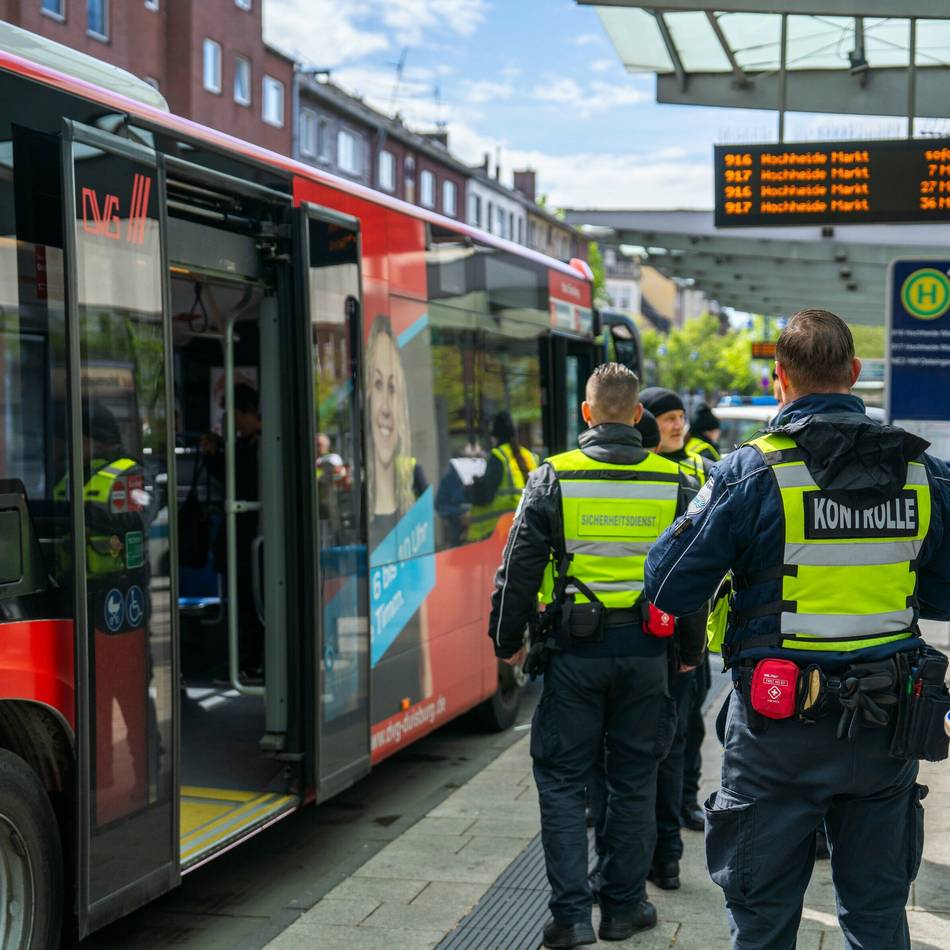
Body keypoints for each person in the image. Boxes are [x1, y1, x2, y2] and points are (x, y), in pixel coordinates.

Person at [645, 309, 950, 950]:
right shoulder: (924, 472)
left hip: (779, 727)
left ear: (779, 377)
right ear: (856, 374)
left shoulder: (751, 472)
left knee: (762, 921)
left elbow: (670, 586)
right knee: (875, 914)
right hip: (889, 722)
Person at [489, 363, 704, 948]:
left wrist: (506, 641)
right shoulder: (677, 482)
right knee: (634, 780)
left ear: (588, 413)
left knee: (562, 781)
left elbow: (518, 571)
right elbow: (690, 579)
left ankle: (571, 917)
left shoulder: (553, 476)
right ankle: (623, 908)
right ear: (639, 416)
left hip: (575, 656)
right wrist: (687, 653)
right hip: (646, 656)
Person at [639, 386, 711, 890]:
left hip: (686, 634)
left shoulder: (700, 468)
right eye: (668, 417)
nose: (677, 424)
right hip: (656, 640)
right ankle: (659, 844)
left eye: (681, 417)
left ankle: (681, 809)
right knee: (659, 740)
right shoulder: (655, 475)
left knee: (683, 731)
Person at [202, 383, 263, 680]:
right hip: (241, 541)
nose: (232, 421)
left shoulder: (262, 445)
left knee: (252, 604)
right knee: (241, 603)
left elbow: (242, 481)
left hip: (253, 540)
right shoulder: (242, 444)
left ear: (250, 413)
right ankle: (247, 660)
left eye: (235, 414)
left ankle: (252, 662)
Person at [467, 410, 538, 541]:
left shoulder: (498, 456)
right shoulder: (530, 457)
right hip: (526, 529)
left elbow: (485, 495)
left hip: (499, 531)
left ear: (495, 436)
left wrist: (469, 490)